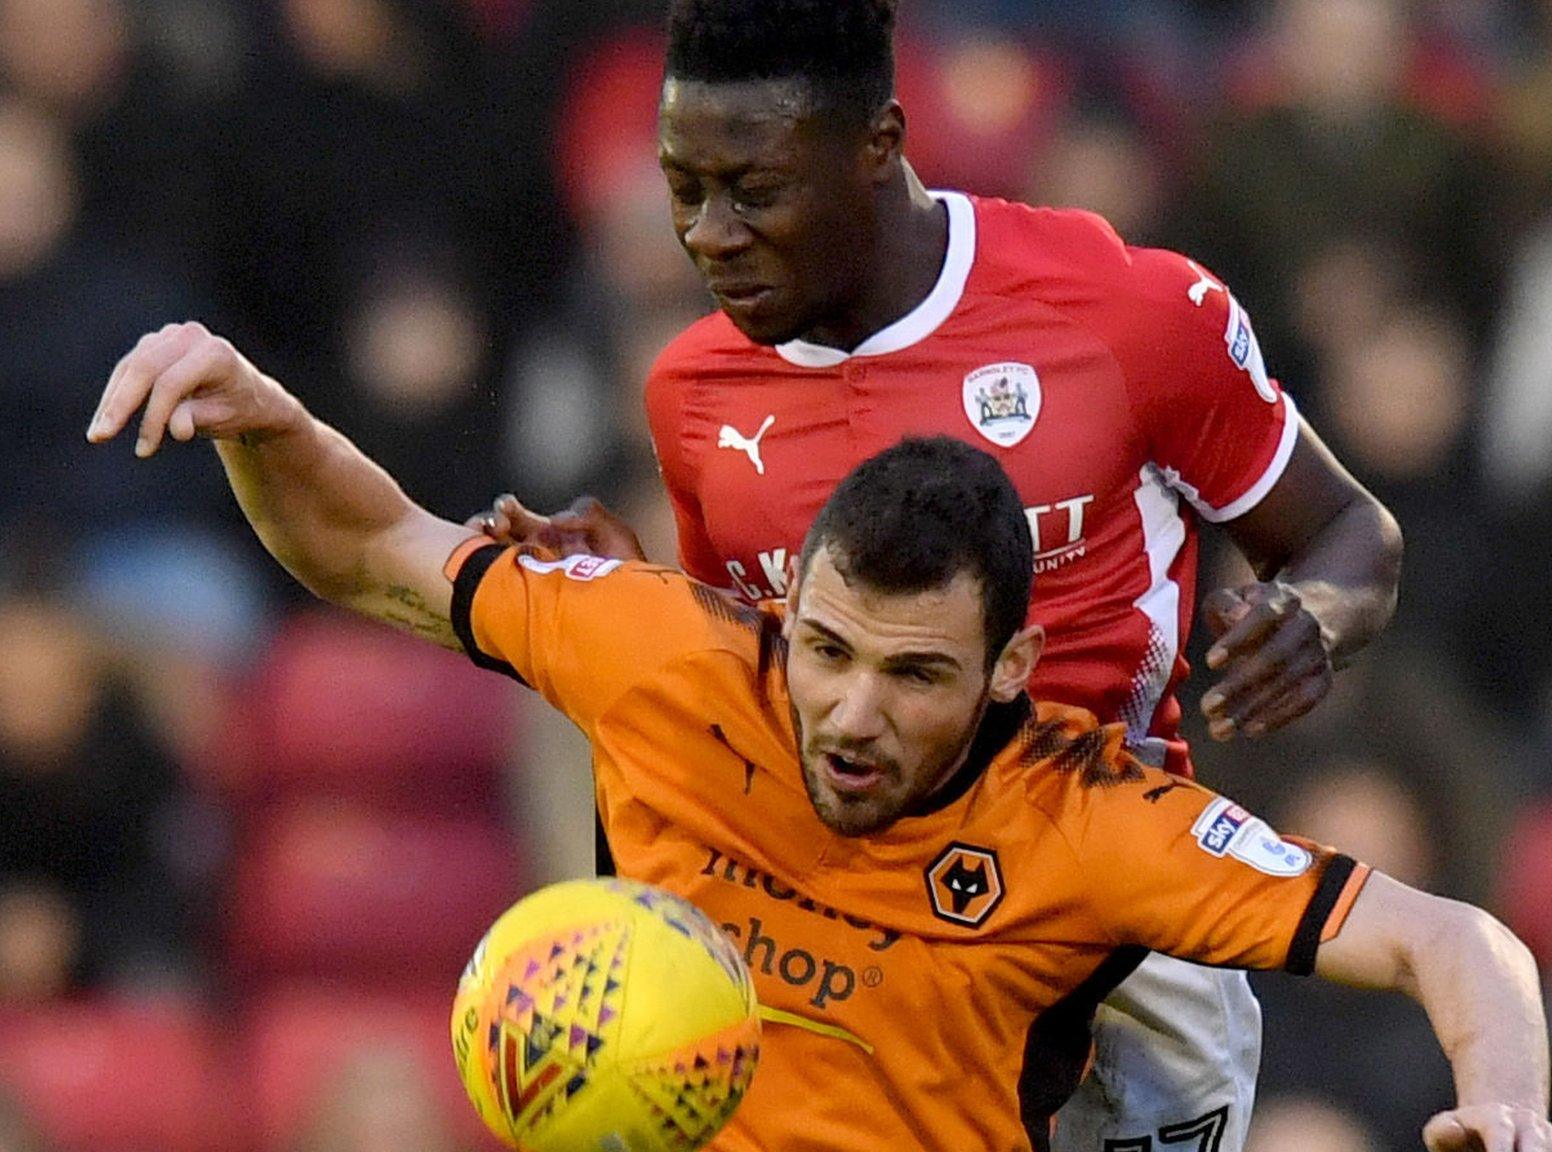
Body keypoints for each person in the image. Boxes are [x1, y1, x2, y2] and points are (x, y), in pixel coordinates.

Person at [85, 324, 1552, 1152]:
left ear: (1012, 672)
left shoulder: (1088, 819)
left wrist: (1506, 1111)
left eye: (917, 677)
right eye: (830, 652)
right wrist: (266, 422)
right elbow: (373, 551)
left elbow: (1458, 942)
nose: (854, 714)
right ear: (787, 604)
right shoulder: (668, 652)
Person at [473, 2, 1404, 1148]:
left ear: (876, 144)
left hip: (1116, 926)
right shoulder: (692, 393)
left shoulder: (1128, 314)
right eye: (683, 187)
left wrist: (1314, 612)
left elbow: (1350, 531)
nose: (708, 234)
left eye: (752, 190)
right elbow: (757, 689)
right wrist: (631, 595)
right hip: (863, 933)